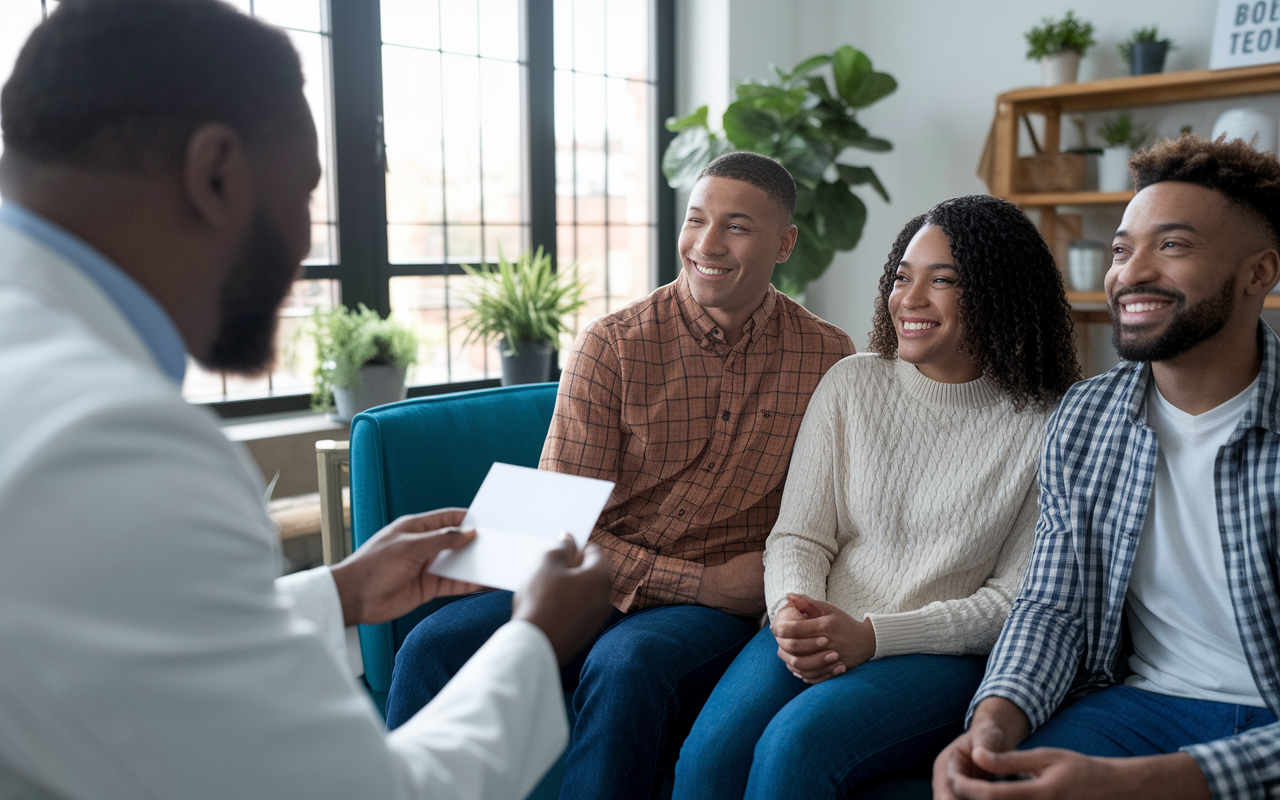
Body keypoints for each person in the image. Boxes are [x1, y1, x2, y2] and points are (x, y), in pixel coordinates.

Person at [0, 2, 613, 799]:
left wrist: (341, 590)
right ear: (216, 173)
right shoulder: (116, 440)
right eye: (305, 196)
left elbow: (96, 637)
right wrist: (537, 637)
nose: (301, 244)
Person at [386, 151, 856, 799]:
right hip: (608, 576)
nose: (707, 244)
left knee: (626, 663)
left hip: (709, 611)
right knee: (433, 644)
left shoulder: (829, 355)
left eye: (738, 226)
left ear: (785, 243)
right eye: (696, 221)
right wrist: (705, 581)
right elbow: (551, 528)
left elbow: (831, 504)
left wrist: (743, 587)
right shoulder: (613, 345)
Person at [671, 195, 1082, 799]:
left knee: (796, 745)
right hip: (816, 623)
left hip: (938, 655)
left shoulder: (1051, 422)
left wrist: (872, 635)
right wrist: (795, 612)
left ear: (1002, 292)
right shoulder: (852, 382)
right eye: (901, 277)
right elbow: (799, 535)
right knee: (710, 754)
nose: (909, 300)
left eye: (942, 281)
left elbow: (1012, 602)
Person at [934, 135, 1280, 800]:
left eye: (1172, 245)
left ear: (1258, 273)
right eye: (1122, 249)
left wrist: (1143, 783)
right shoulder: (1088, 416)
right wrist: (991, 724)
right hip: (1142, 706)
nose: (1130, 272)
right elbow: (1053, 607)